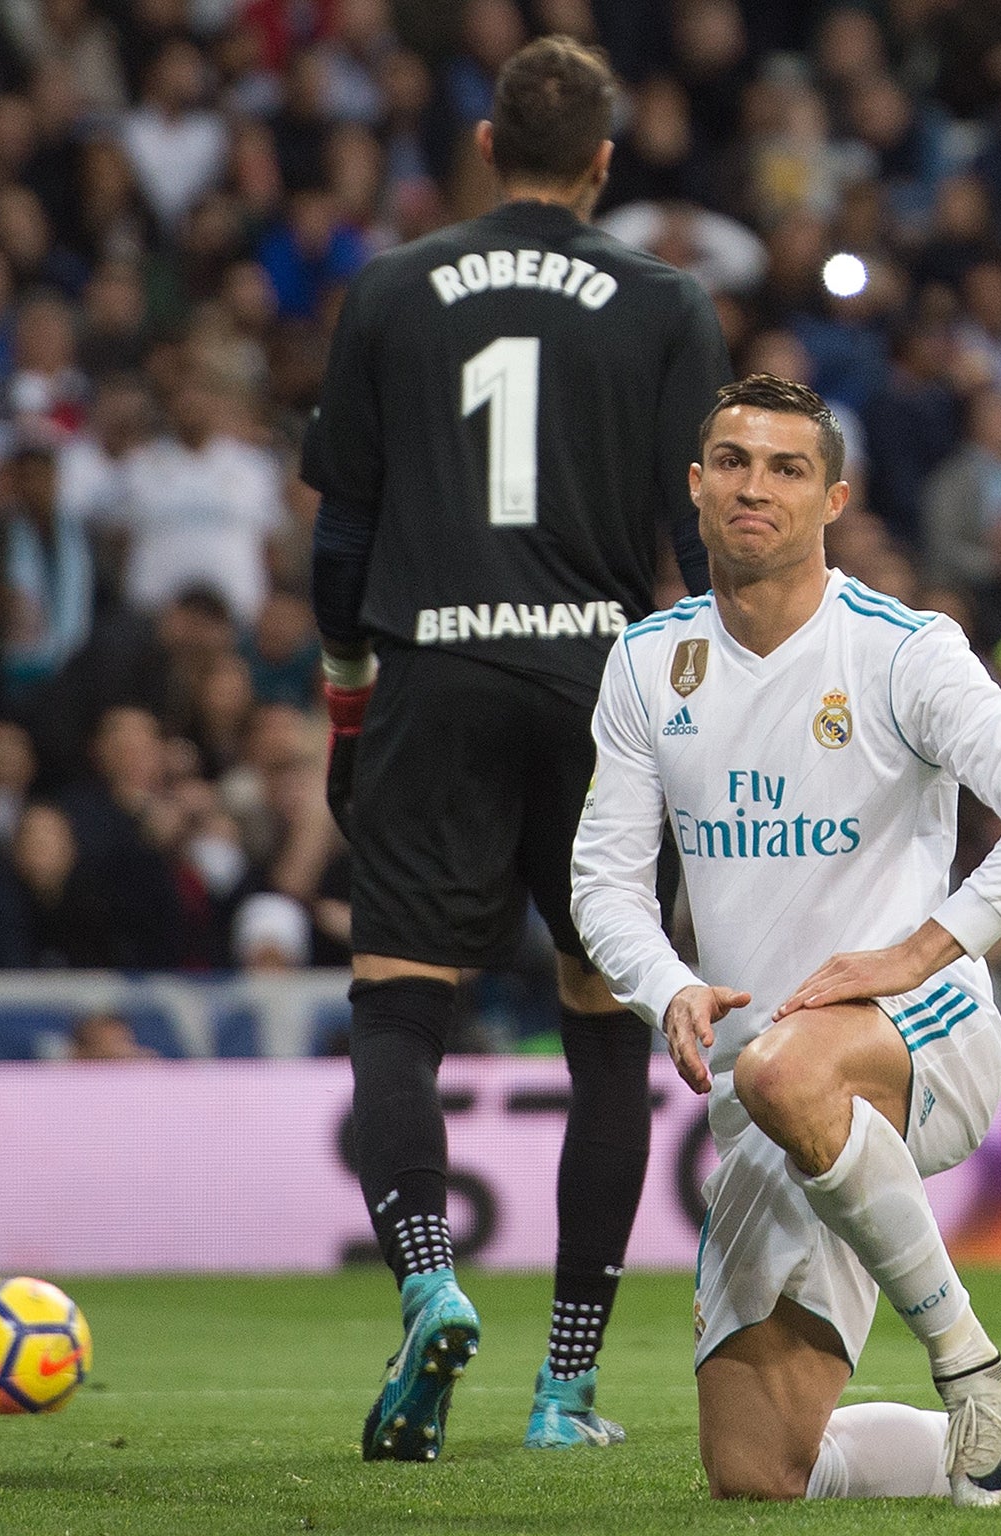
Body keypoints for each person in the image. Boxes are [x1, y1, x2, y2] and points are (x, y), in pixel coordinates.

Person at [571, 375, 1001, 1506]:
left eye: (787, 469)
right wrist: (666, 987)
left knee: (792, 1062)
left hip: (923, 1038)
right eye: (732, 462)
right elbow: (602, 881)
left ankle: (968, 1361)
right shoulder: (648, 663)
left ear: (831, 498)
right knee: (759, 1471)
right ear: (694, 487)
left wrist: (921, 950)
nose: (755, 487)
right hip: (765, 1087)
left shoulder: (899, 650)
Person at [300, 37, 731, 1462]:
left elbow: (342, 536)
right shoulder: (665, 301)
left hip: (435, 670)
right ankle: (564, 1390)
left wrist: (351, 698)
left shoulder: (393, 290)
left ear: (484, 144)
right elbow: (700, 540)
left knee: (399, 1008)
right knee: (602, 1029)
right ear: (605, 162)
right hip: (599, 687)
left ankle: (427, 1276)